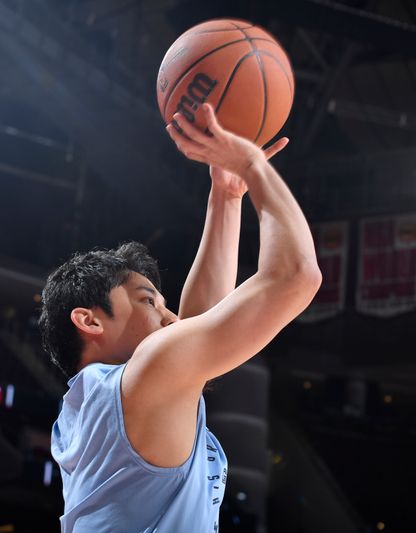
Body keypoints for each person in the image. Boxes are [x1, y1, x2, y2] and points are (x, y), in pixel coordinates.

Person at [39, 104, 321, 532]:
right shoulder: (136, 382)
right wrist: (251, 164)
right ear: (91, 321)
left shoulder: (90, 405)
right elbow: (296, 276)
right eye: (150, 302)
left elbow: (200, 325)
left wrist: (226, 196)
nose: (171, 318)